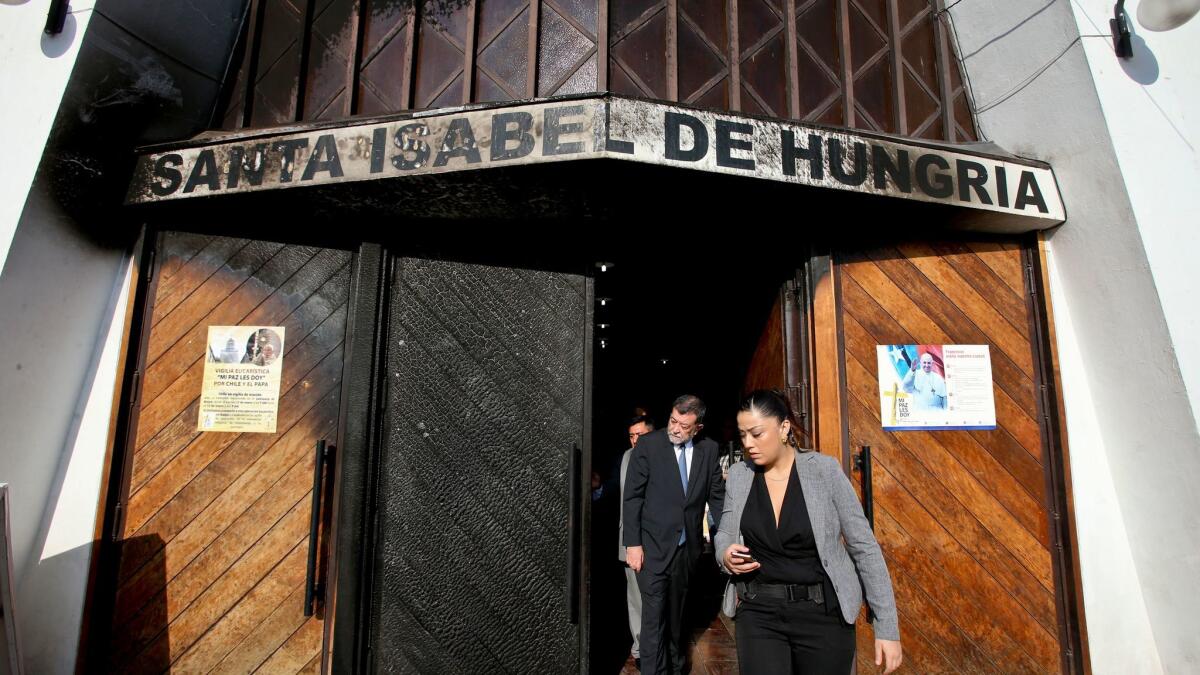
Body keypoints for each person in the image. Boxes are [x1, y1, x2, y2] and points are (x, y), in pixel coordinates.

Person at [716, 390, 902, 675]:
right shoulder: (741, 476)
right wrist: (725, 554)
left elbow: (864, 546)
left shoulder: (824, 471)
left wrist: (886, 626)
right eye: (743, 435)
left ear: (784, 428)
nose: (748, 444)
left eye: (756, 433)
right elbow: (725, 533)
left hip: (822, 614)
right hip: (758, 612)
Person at [624, 395, 725, 675]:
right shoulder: (649, 445)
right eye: (672, 420)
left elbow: (717, 498)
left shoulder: (709, 450)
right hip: (652, 548)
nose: (675, 429)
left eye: (684, 425)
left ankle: (677, 668)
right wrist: (633, 544)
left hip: (686, 550)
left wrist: (727, 540)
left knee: (678, 618)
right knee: (653, 620)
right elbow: (632, 497)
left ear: (698, 428)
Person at [618, 413, 655, 668]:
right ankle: (640, 650)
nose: (634, 441)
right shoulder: (626, 457)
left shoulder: (664, 458)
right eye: (631, 436)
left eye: (639, 435)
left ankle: (656, 648)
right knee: (635, 599)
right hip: (629, 540)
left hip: (656, 541)